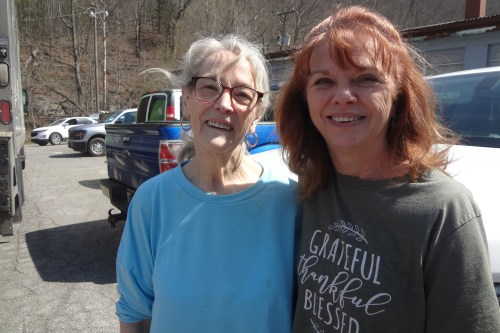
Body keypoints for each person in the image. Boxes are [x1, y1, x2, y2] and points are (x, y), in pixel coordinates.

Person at [275, 6, 500, 333]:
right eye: (323, 81)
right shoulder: (310, 187)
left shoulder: (443, 211)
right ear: (304, 99)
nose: (343, 96)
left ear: (398, 94)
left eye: (365, 78)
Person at [116, 35, 300, 333]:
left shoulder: (290, 200)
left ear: (255, 113)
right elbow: (134, 312)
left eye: (241, 94)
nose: (224, 104)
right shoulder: (152, 201)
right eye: (209, 88)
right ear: (187, 99)